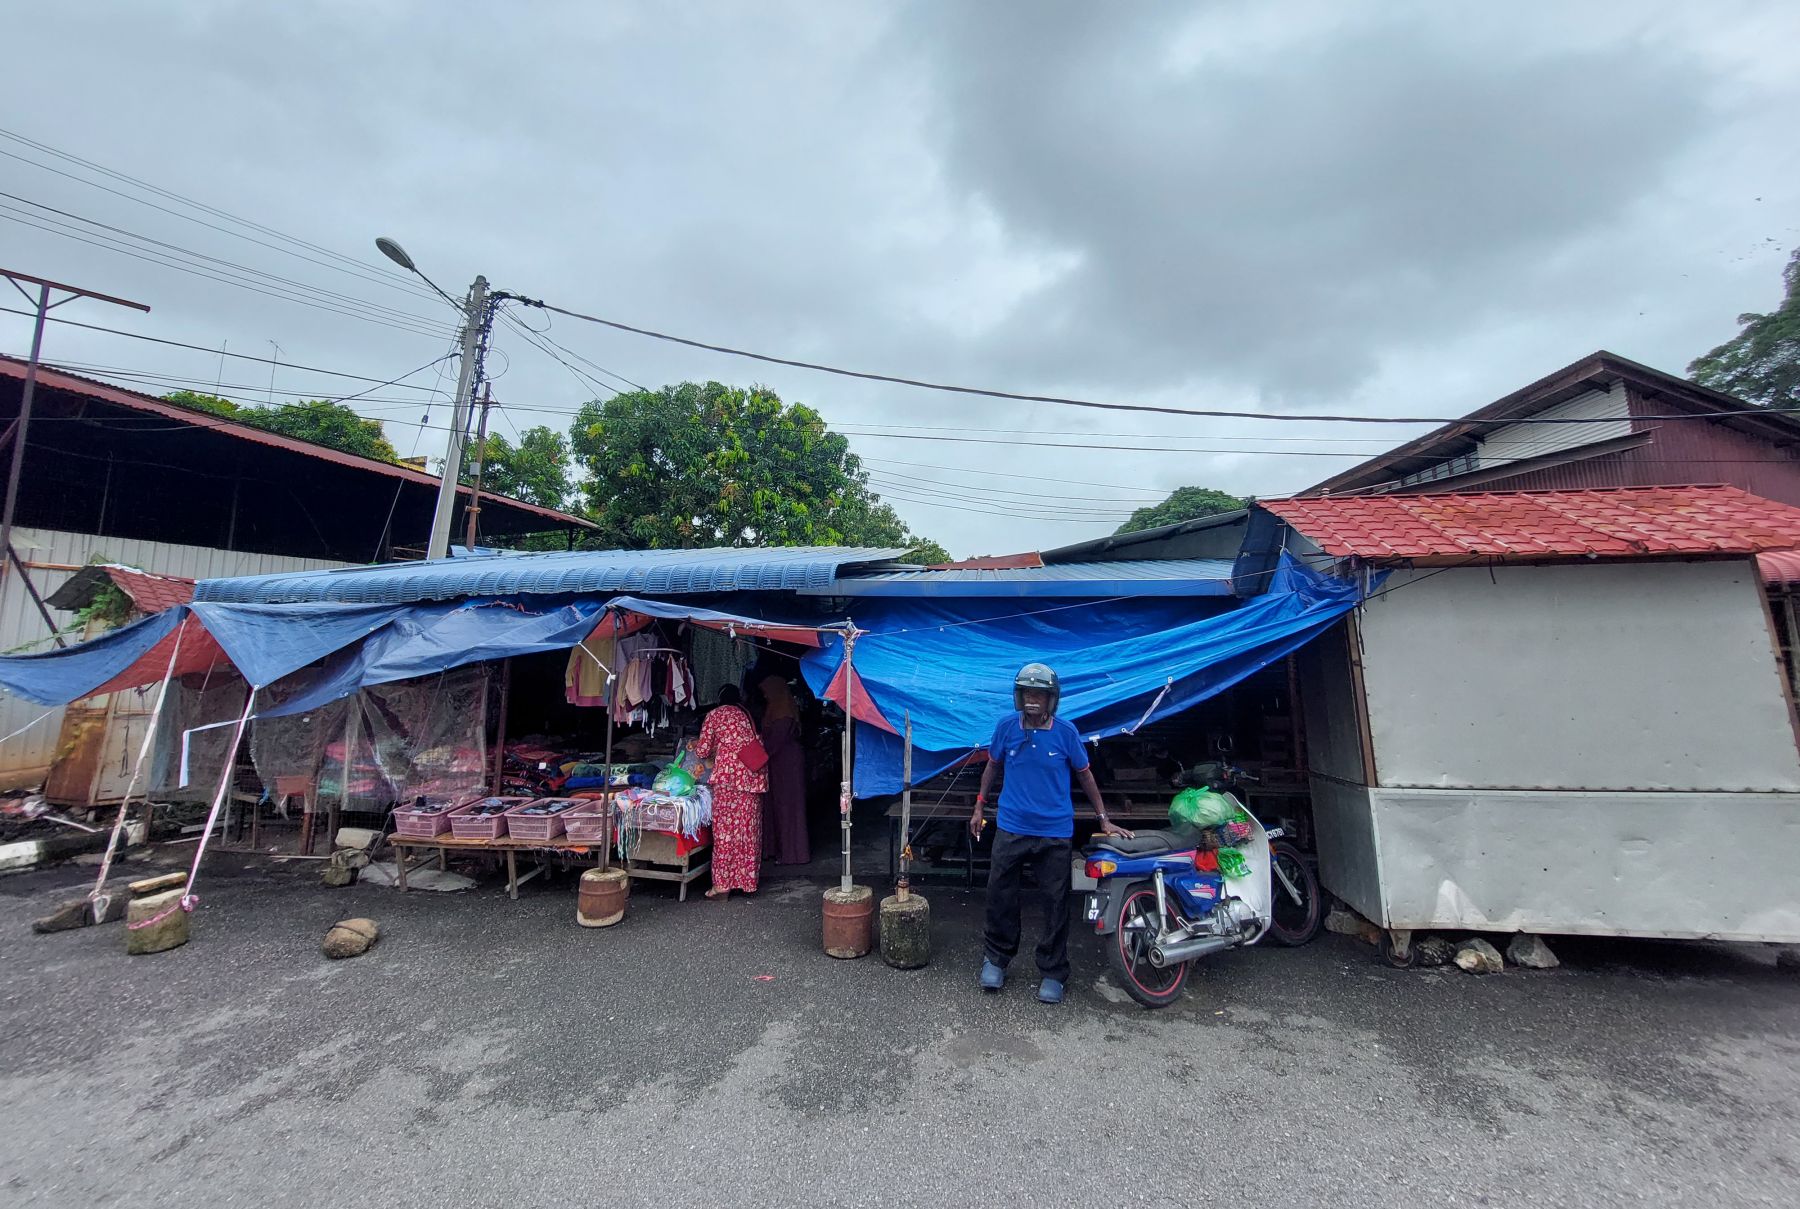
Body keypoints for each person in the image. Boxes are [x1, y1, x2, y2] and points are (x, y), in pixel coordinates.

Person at [970, 662, 1131, 1004]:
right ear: (1019, 696)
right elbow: (992, 766)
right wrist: (980, 805)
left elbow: (1085, 775)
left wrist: (1103, 819)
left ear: (1051, 699)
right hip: (1011, 827)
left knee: (1056, 903)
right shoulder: (1006, 728)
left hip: (1054, 832)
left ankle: (1053, 971)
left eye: (1039, 695)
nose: (1032, 700)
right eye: (1028, 693)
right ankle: (996, 959)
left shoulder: (1066, 733)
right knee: (1000, 894)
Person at [693, 685, 768, 899]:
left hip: (727, 779)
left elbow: (703, 750)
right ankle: (747, 883)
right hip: (751, 777)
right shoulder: (748, 714)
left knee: (725, 832)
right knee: (748, 831)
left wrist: (709, 746)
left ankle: (722, 887)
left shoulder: (715, 715)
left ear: (719, 699)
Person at [756, 672, 810, 865]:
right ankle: (782, 852)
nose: (765, 696)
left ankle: (791, 854)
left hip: (785, 764)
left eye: (767, 692)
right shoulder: (780, 708)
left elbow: (774, 742)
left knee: (787, 808)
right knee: (781, 807)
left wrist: (755, 752)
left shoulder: (782, 713)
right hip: (781, 763)